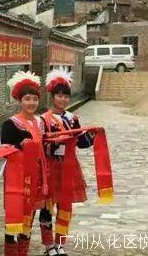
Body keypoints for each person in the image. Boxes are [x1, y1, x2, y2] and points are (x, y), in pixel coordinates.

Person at [40, 69, 94, 256]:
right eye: (59, 96)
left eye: (65, 96)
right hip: (50, 167)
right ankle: (49, 245)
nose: (62, 99)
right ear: (52, 97)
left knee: (65, 206)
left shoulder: (72, 119)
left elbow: (81, 143)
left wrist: (93, 135)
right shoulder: (43, 120)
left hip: (69, 167)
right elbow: (40, 145)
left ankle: (60, 243)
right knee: (47, 207)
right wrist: (54, 143)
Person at [1, 70, 47, 256]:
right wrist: (22, 146)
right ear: (19, 101)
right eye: (27, 99)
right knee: (14, 217)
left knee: (29, 217)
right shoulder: (10, 124)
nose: (31, 103)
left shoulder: (40, 123)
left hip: (35, 175)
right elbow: (5, 150)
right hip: (17, 177)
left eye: (35, 99)